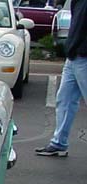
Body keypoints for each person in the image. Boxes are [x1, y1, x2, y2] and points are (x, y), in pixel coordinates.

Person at [36, 0, 87, 156]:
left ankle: (59, 143)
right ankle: (59, 142)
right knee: (64, 99)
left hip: (83, 57)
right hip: (73, 57)